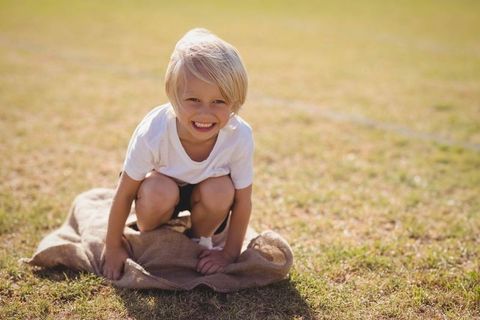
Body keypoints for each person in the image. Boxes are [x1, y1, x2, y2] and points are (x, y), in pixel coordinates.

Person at [102, 28, 254, 281]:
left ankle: (198, 239)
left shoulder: (239, 135)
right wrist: (112, 245)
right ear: (173, 97)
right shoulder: (153, 131)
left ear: (235, 101)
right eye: (193, 99)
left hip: (206, 195)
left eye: (219, 102)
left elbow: (243, 201)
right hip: (161, 189)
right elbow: (125, 192)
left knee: (222, 190)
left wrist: (229, 253)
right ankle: (154, 238)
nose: (205, 113)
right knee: (157, 191)